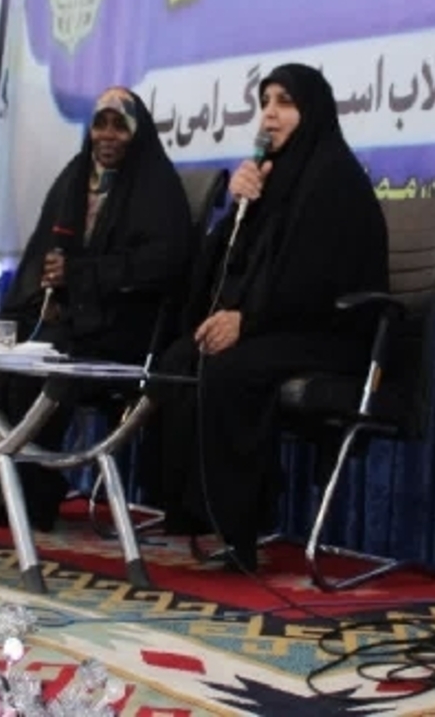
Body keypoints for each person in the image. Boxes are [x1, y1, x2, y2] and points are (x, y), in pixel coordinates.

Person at [147, 63, 389, 572]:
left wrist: (246, 322)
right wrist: (238, 208)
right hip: (280, 326)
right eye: (264, 103)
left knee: (229, 369)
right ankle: (198, 515)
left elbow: (316, 282)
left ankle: (242, 530)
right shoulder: (275, 180)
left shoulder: (333, 179)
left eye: (285, 102)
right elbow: (229, 268)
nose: (270, 115)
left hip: (332, 335)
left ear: (312, 110)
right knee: (180, 358)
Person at [0, 86, 194, 530]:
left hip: (124, 326)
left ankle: (33, 499)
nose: (107, 135)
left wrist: (81, 276)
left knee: (45, 359)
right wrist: (41, 298)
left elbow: (163, 265)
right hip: (66, 317)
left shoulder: (155, 186)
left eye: (119, 126)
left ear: (137, 133)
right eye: (100, 124)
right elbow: (42, 252)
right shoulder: (74, 177)